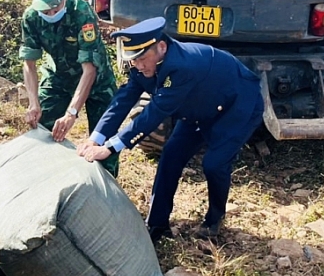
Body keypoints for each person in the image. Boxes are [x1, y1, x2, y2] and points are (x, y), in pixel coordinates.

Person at [77, 17, 263, 243]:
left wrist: (111, 147)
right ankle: (157, 224)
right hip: (196, 108)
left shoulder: (182, 67)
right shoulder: (143, 66)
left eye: (142, 58)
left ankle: (214, 221)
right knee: (170, 156)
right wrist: (96, 139)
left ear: (162, 47)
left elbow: (154, 112)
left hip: (235, 106)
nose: (138, 66)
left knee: (214, 164)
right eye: (134, 59)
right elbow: (123, 99)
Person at [20, 0, 119, 177]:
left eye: (55, 8)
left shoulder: (81, 12)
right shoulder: (31, 18)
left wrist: (71, 113)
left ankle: (105, 185)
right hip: (58, 78)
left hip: (97, 82)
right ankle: (47, 178)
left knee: (103, 141)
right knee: (42, 130)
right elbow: (29, 64)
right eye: (45, 10)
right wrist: (33, 102)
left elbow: (89, 70)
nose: (50, 13)